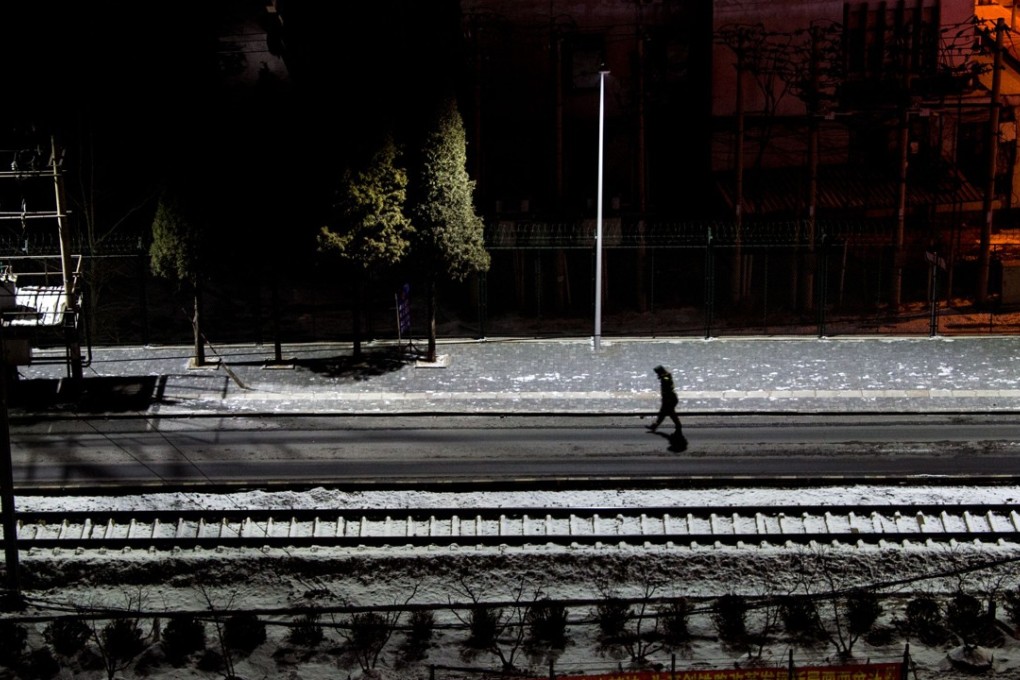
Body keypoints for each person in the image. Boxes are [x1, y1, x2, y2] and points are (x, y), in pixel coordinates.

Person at [647, 365, 684, 437]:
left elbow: (666, 379)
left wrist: (662, 377)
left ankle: (678, 426)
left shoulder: (666, 377)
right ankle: (655, 426)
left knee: (666, 413)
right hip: (667, 398)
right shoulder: (665, 377)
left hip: (669, 399)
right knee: (665, 413)